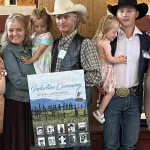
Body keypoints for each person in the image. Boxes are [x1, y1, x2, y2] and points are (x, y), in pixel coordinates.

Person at [46, 0, 102, 150]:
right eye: (58, 17)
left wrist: (69, 84)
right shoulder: (56, 44)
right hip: (56, 106)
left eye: (66, 17)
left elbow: (96, 75)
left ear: (75, 18)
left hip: (76, 107)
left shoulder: (85, 44)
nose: (61, 21)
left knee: (76, 147)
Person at [102, 0, 150, 149]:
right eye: (121, 11)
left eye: (129, 11)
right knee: (110, 145)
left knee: (129, 145)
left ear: (136, 14)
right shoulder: (109, 39)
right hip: (112, 97)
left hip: (134, 98)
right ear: (116, 14)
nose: (125, 14)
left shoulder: (146, 40)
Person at [1, 13, 36, 150]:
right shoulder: (7, 49)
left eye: (18, 29)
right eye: (10, 30)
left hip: (30, 102)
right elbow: (17, 81)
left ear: (26, 31)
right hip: (16, 104)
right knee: (17, 144)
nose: (14, 33)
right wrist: (42, 85)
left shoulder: (30, 48)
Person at [92, 15, 127, 124]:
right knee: (111, 92)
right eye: (114, 32)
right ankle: (100, 112)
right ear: (104, 29)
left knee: (103, 89)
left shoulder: (96, 40)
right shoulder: (105, 43)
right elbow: (109, 58)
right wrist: (120, 59)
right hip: (106, 69)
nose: (116, 35)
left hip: (98, 69)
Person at [21, 8, 53, 73]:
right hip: (35, 60)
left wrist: (30, 60)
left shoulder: (47, 36)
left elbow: (40, 51)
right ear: (32, 25)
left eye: (43, 26)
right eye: (36, 26)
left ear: (48, 24)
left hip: (43, 62)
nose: (40, 29)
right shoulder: (34, 35)